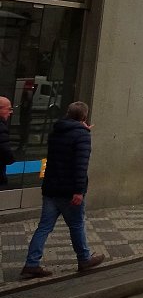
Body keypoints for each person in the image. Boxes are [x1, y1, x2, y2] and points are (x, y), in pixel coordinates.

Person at [20, 101, 105, 278]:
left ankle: (31, 263)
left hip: (51, 187)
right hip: (69, 189)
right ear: (84, 117)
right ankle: (84, 259)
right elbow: (80, 165)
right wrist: (79, 191)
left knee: (44, 227)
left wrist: (81, 128)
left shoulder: (56, 131)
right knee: (77, 224)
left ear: (68, 113)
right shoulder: (82, 135)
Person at [0, 96, 14, 185]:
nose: (10, 113)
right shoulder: (1, 128)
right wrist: (11, 159)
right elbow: (5, 151)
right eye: (9, 109)